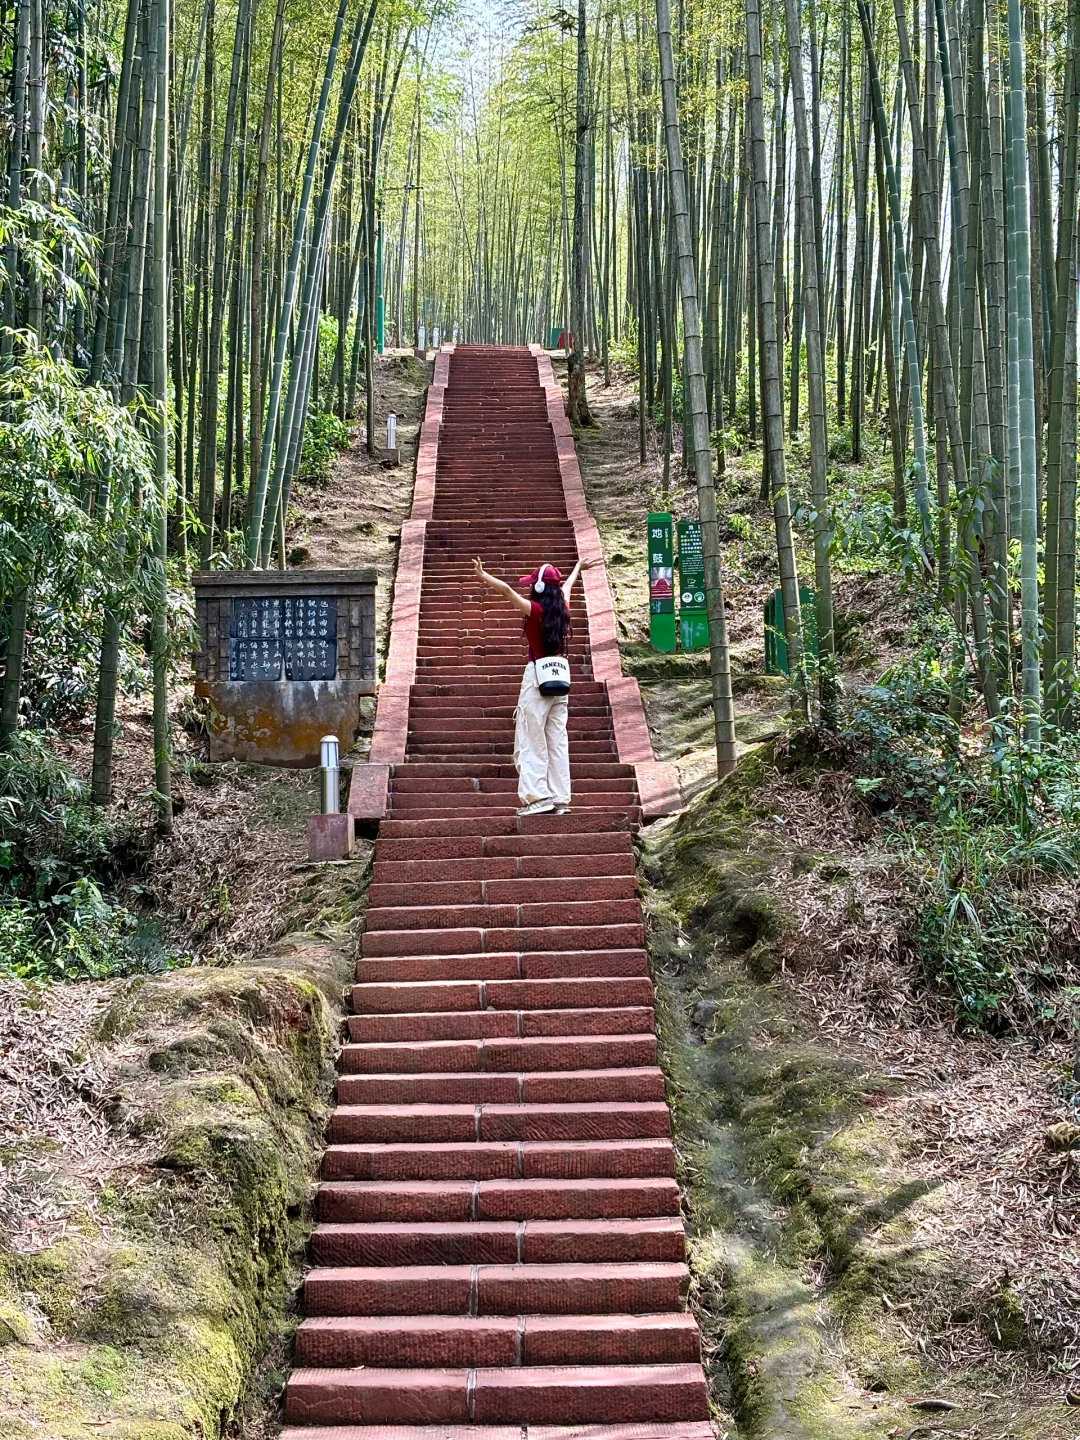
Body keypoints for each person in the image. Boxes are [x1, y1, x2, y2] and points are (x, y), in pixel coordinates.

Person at [471, 555, 597, 816]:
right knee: (557, 739)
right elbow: (569, 585)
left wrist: (483, 577)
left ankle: (537, 796)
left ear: (538, 588)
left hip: (537, 675)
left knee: (531, 736)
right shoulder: (563, 606)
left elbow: (507, 591)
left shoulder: (535, 610)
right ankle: (560, 797)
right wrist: (577, 568)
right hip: (560, 678)